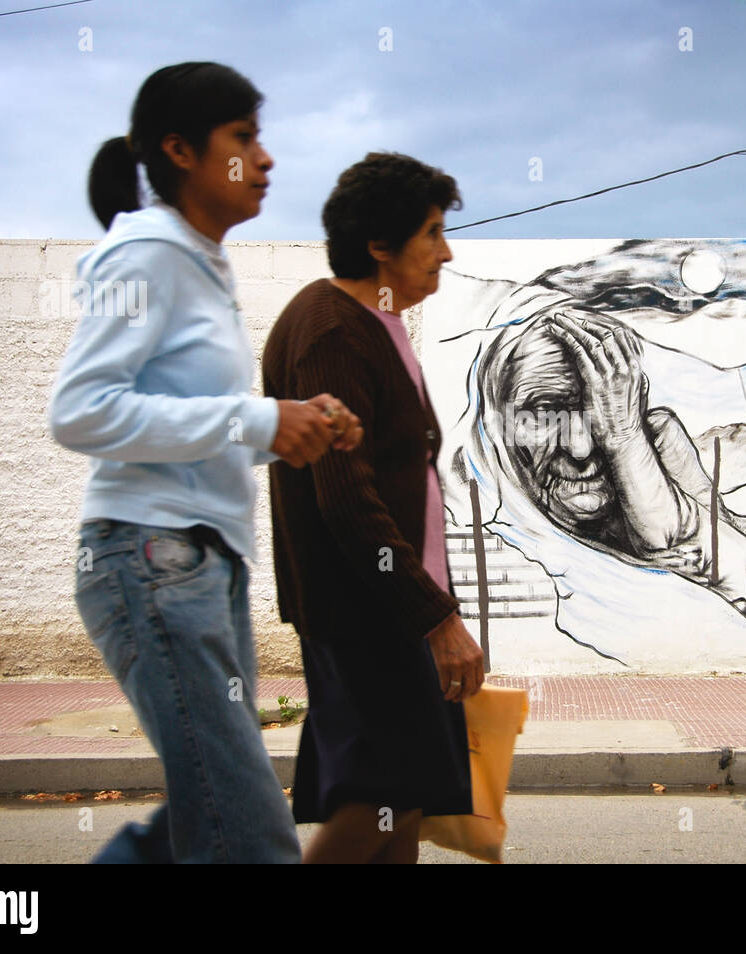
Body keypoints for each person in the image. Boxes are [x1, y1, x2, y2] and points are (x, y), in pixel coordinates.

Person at [47, 62, 362, 863]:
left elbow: (196, 429)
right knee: (245, 832)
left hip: (202, 563)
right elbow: (81, 411)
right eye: (244, 137)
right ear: (181, 150)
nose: (266, 158)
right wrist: (255, 416)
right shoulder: (148, 256)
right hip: (150, 555)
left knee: (205, 813)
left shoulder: (202, 265)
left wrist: (291, 430)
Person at [262, 152, 484, 864]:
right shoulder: (332, 329)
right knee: (376, 802)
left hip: (392, 609)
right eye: (432, 233)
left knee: (401, 801)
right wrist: (436, 618)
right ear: (380, 243)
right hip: (367, 614)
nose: (446, 252)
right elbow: (347, 498)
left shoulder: (377, 324)